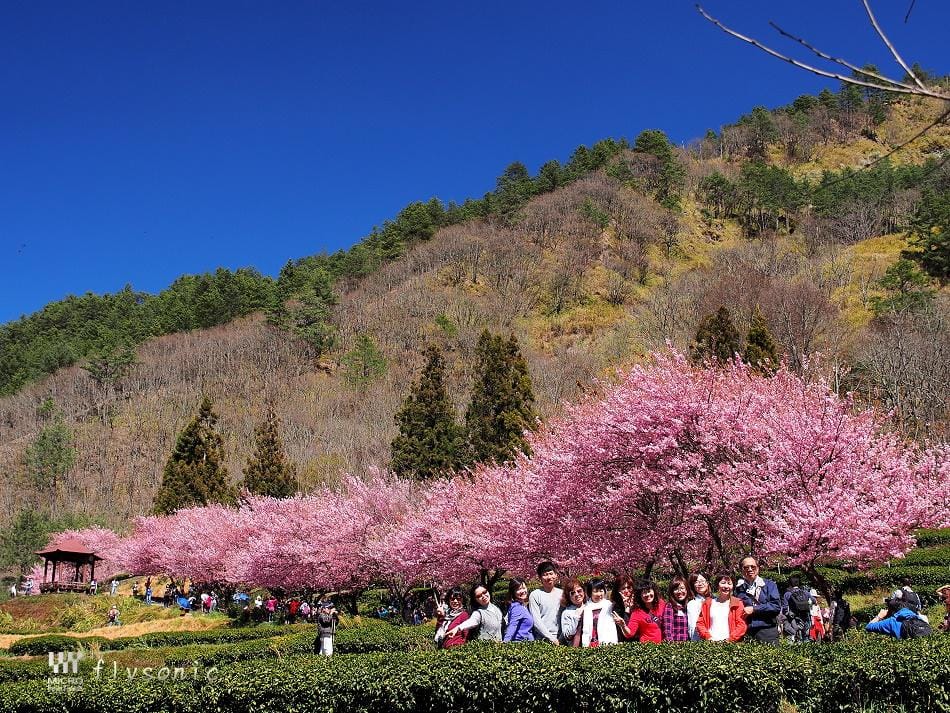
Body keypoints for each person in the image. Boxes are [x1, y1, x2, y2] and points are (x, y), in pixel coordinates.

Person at [735, 557, 781, 643]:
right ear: (741, 570)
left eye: (753, 567)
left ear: (758, 568)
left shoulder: (769, 585)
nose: (750, 569)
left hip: (767, 631)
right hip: (746, 632)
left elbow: (776, 606)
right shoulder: (738, 589)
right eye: (746, 567)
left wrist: (754, 609)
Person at [696, 572, 748, 642]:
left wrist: (730, 640)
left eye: (729, 583)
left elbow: (741, 625)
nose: (726, 586)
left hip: (730, 644)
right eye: (723, 583)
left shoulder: (737, 603)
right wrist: (708, 637)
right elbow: (700, 623)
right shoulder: (707, 603)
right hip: (710, 643)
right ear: (717, 585)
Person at [576, 579, 618, 647]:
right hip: (591, 645)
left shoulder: (609, 605)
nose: (599, 594)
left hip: (608, 644)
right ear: (590, 593)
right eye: (595, 591)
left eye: (601, 591)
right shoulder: (586, 607)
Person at [528, 561, 562, 645]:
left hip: (562, 638)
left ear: (556, 575)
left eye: (551, 573)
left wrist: (561, 637)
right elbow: (536, 621)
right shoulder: (535, 595)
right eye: (545, 574)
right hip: (543, 640)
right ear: (540, 577)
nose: (549, 577)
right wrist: (551, 638)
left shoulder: (562, 593)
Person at [781, 575, 814, 643]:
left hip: (793, 618)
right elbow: (813, 601)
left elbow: (785, 607)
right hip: (805, 616)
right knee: (805, 636)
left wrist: (786, 614)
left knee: (794, 637)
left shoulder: (787, 594)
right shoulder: (805, 592)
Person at [503, 577, 535, 642]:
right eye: (519, 589)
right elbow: (512, 625)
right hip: (520, 643)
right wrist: (505, 642)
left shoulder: (522, 605)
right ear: (513, 592)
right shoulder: (517, 607)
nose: (523, 591)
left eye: (524, 588)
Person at [662, 576, 691, 642]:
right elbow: (667, 630)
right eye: (676, 589)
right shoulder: (670, 606)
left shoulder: (689, 605)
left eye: (682, 588)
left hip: (690, 645)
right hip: (676, 644)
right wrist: (671, 645)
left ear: (687, 589)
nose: (679, 591)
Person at [559, 578, 587, 645]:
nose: (577, 594)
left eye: (579, 591)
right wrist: (576, 618)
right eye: (572, 593)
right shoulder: (567, 613)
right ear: (568, 596)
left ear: (583, 591)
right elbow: (568, 636)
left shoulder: (590, 606)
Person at [609, 575, 636, 639]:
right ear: (618, 590)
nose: (626, 591)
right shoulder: (616, 606)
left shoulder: (639, 602)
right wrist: (627, 609)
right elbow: (623, 630)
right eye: (623, 588)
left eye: (628, 587)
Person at [687, 573, 710, 641]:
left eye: (702, 581)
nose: (700, 584)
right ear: (692, 585)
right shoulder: (692, 604)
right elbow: (692, 626)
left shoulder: (715, 600)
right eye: (696, 582)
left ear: (707, 583)